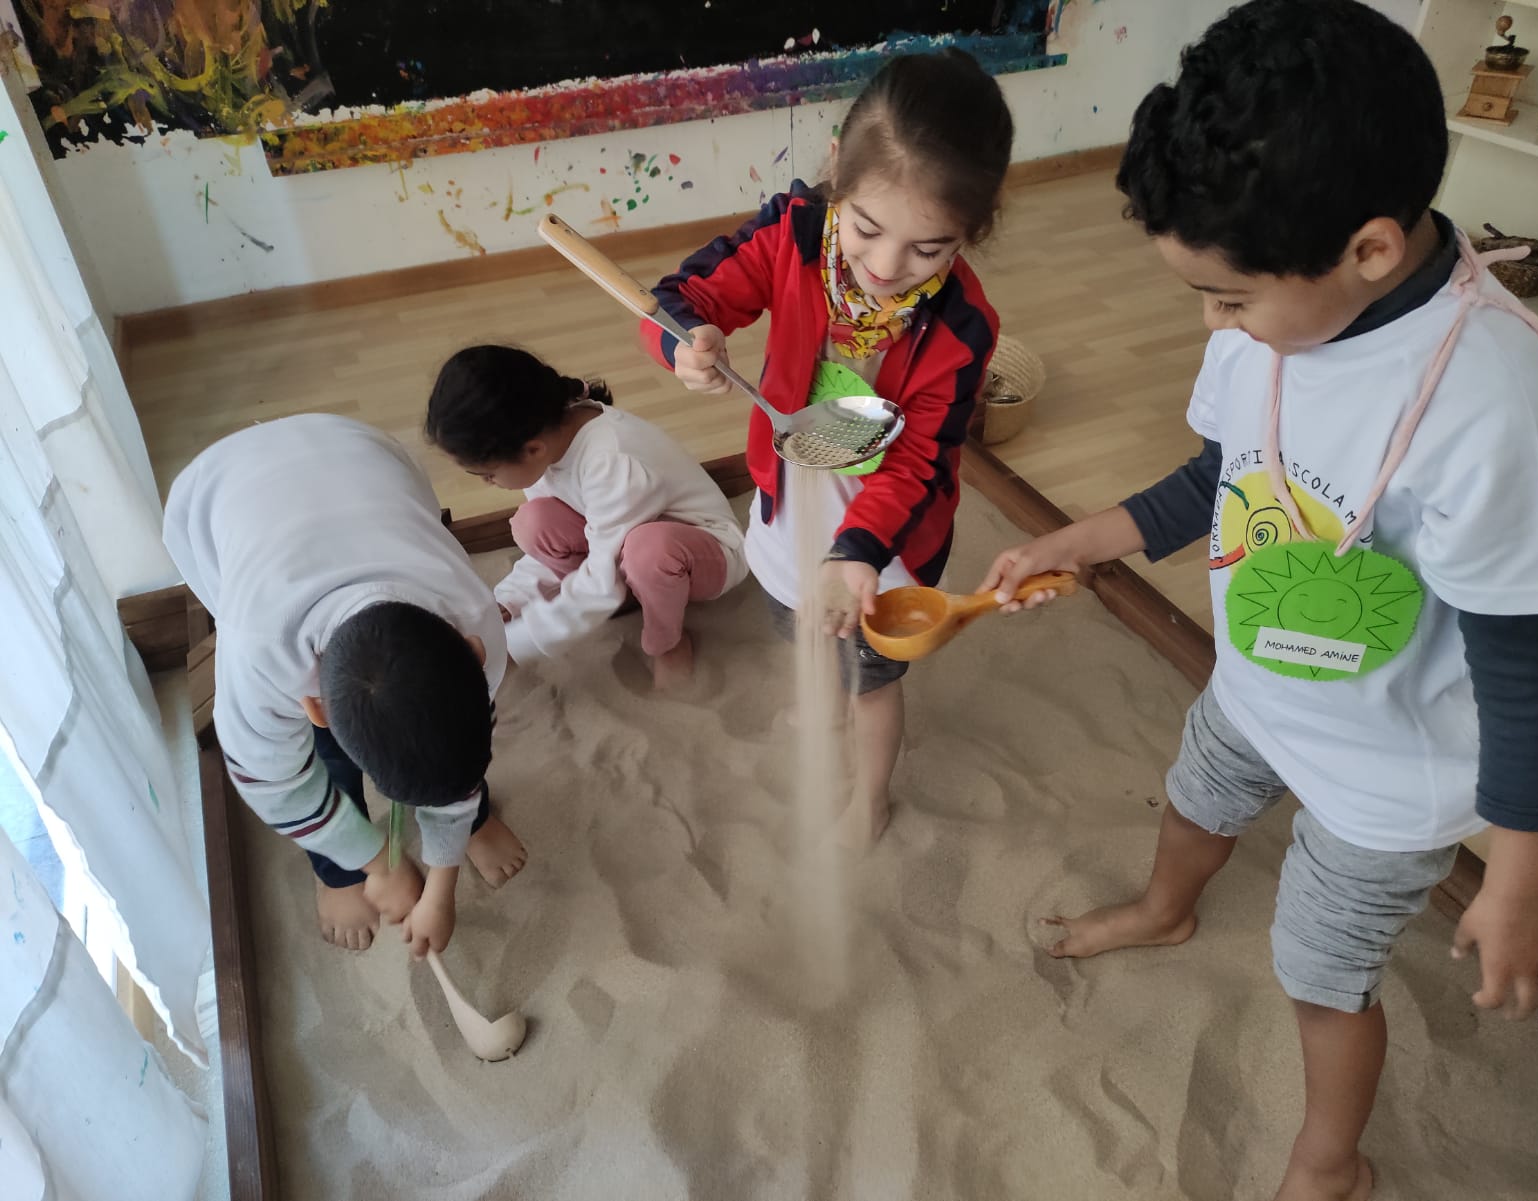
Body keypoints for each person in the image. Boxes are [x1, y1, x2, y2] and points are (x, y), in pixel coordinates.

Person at [980, 3, 1538, 1198]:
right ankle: (1166, 908)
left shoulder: (1494, 409)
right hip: (1260, 676)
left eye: (1226, 299)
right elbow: (1224, 474)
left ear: (1368, 250)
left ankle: (1329, 1162)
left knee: (1322, 971)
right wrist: (1089, 536)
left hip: (1391, 769)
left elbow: (1525, 671)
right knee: (1194, 798)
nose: (1212, 324)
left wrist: (1520, 884)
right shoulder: (1269, 316)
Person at [642, 47, 1013, 843]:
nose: (885, 267)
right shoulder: (794, 232)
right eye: (868, 229)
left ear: (973, 231)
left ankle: (869, 796)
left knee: (871, 681)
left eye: (929, 248)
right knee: (797, 623)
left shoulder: (962, 327)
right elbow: (680, 297)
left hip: (885, 543)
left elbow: (918, 463)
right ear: (837, 168)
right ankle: (821, 707)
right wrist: (684, 341)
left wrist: (856, 554)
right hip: (789, 508)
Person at [163, 414, 528, 956]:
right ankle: (335, 875)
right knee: (334, 761)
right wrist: (373, 862)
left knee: (445, 749)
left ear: (473, 653)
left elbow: (458, 759)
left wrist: (441, 883)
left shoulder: (475, 615)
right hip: (212, 493)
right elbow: (278, 787)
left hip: (359, 449)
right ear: (314, 708)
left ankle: (471, 822)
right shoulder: (258, 656)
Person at [425, 345, 747, 689]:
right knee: (534, 522)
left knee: (647, 551)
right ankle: (625, 597)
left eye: (488, 474)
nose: (489, 483)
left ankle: (667, 642)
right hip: (620, 545)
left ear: (532, 449)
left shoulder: (612, 462)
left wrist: (515, 646)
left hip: (704, 551)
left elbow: (602, 577)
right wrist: (510, 600)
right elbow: (576, 552)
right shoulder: (544, 444)